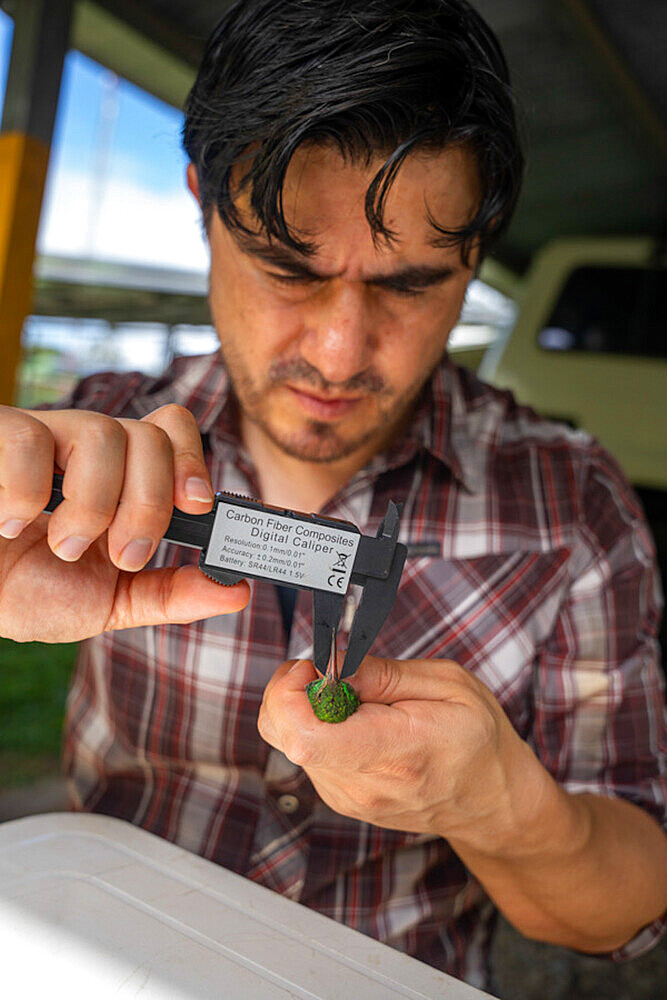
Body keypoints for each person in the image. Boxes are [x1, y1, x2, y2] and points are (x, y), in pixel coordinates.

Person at [1, 0, 665, 990]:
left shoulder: (576, 504)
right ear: (200, 200)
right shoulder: (83, 441)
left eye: (408, 284)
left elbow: (632, 901)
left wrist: (497, 802)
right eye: (285, 265)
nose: (339, 351)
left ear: (476, 253)